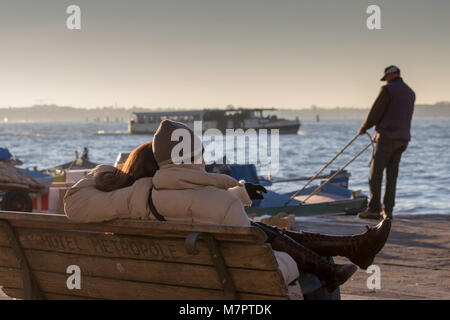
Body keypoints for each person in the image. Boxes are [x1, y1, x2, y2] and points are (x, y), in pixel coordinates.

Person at [64, 120, 391, 299]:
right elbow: (260, 266)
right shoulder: (218, 202)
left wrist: (104, 171)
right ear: (195, 157)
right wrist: (229, 192)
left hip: (166, 283)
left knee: (269, 237)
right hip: (230, 289)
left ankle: (349, 250)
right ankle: (342, 255)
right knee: (295, 261)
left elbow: (76, 204)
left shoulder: (138, 194)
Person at [358, 66, 416, 220]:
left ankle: (374, 209)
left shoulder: (387, 90)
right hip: (403, 140)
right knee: (392, 176)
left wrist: (364, 127)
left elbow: (376, 111)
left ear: (390, 75)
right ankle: (388, 211)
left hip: (388, 138)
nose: (386, 80)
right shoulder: (410, 93)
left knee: (375, 174)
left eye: (386, 77)